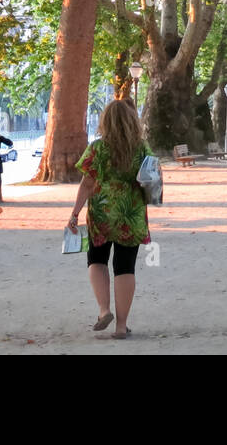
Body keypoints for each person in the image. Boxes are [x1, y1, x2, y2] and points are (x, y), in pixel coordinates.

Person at [68, 98, 151, 339]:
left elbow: (86, 184)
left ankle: (104, 310)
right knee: (125, 268)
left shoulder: (97, 148)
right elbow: (152, 179)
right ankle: (122, 326)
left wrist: (74, 214)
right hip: (131, 214)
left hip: (102, 214)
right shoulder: (142, 148)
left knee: (97, 260)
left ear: (106, 121)